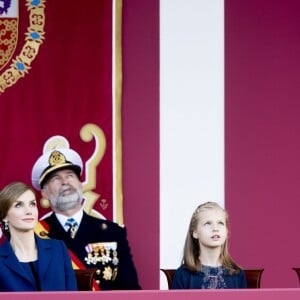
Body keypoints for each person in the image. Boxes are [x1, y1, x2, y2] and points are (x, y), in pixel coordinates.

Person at [31, 139, 141, 290]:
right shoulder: (34, 236)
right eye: (56, 178)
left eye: (70, 175)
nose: (64, 182)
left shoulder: (112, 233)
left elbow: (131, 290)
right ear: (44, 193)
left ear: (80, 184)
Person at [0, 182, 77, 292]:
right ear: (4, 216)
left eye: (32, 204)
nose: (28, 211)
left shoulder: (58, 249)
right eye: (18, 205)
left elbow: (73, 295)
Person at [172, 201, 247, 289]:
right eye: (207, 223)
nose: (215, 229)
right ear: (195, 232)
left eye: (220, 223)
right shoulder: (183, 275)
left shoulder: (237, 275)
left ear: (226, 231)